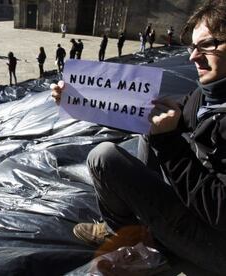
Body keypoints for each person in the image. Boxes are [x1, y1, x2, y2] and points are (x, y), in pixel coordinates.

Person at [50, 1, 226, 274]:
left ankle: (152, 247)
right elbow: (138, 109)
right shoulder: (207, 94)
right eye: (192, 47)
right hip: (191, 209)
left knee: (105, 157)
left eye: (207, 45)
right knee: (149, 133)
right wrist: (80, 100)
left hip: (215, 246)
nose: (193, 57)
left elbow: (220, 212)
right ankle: (135, 232)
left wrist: (168, 143)